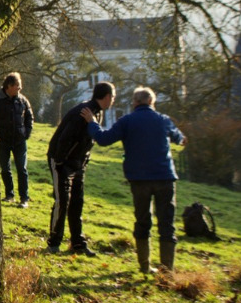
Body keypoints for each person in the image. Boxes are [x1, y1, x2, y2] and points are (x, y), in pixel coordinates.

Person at [84, 86, 187, 273]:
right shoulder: (163, 120)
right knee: (167, 223)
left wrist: (92, 122)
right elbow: (180, 139)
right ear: (151, 102)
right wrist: (179, 140)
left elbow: (104, 139)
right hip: (165, 177)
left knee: (142, 221)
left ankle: (145, 266)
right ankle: (167, 270)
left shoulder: (127, 121)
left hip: (139, 178)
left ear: (135, 102)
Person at [46, 81, 116, 256]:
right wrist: (61, 163)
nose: (113, 100)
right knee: (63, 201)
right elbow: (64, 138)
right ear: (107, 97)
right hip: (63, 162)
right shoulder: (84, 112)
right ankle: (54, 243)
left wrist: (83, 164)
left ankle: (78, 244)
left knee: (77, 203)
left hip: (78, 164)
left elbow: (88, 141)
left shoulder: (95, 114)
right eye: (113, 97)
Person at [0, 72, 34, 207]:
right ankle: (9, 195)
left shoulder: (22, 100)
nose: (19, 89)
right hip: (3, 141)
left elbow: (29, 117)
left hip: (19, 141)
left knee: (22, 169)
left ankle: (24, 198)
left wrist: (26, 133)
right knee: (5, 169)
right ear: (9, 86)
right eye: (17, 86)